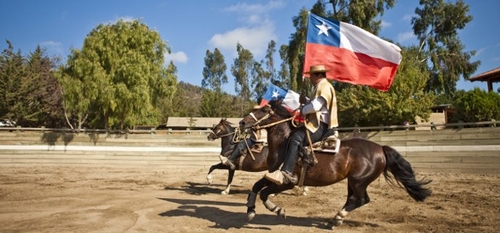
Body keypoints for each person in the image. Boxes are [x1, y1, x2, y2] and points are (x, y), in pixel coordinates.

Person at [265, 65, 338, 185]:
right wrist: (306, 101)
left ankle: (287, 172)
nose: (310, 78)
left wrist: (300, 111)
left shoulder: (324, 86)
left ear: (318, 75)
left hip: (321, 126)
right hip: (317, 124)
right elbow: (315, 103)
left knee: (296, 138)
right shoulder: (320, 87)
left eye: (311, 76)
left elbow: (316, 107)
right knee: (294, 134)